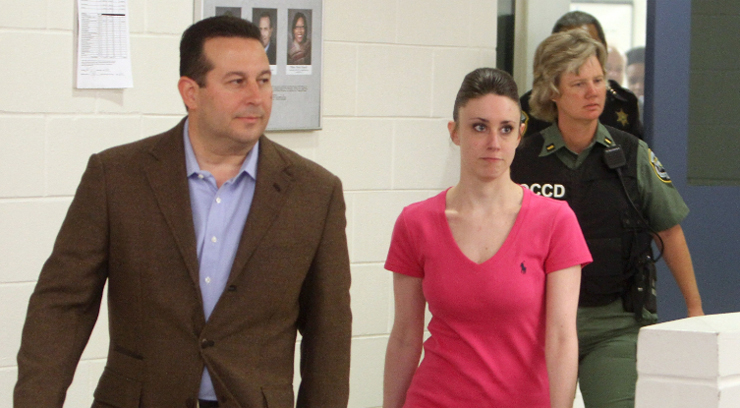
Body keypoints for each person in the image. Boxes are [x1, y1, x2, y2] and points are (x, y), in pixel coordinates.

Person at [14, 15, 351, 408]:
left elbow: (329, 331)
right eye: (236, 82)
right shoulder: (117, 176)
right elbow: (62, 306)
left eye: (263, 80)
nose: (257, 98)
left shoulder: (314, 192)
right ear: (191, 92)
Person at [510, 30, 704, 408]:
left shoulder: (632, 154)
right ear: (553, 92)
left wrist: (694, 309)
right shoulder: (523, 160)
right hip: (536, 326)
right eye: (578, 83)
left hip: (614, 324)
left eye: (598, 80)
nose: (593, 91)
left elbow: (670, 230)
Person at [383, 68, 592, 408]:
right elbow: (405, 337)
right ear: (455, 133)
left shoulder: (555, 221)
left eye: (506, 129)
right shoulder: (415, 223)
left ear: (520, 134)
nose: (494, 143)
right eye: (479, 127)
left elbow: (562, 338)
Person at [521, 11, 643, 140]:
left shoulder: (623, 102)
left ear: (604, 47)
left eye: (591, 44)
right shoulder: (529, 108)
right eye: (571, 47)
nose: (583, 52)